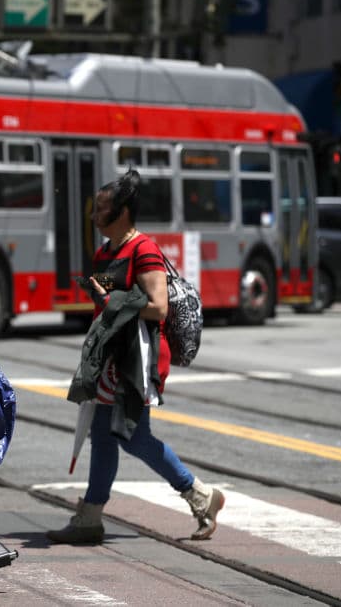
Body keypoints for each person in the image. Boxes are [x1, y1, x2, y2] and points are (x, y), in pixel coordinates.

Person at [47, 169, 224, 545]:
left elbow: (158, 308)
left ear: (123, 212)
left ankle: (201, 497)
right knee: (103, 436)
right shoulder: (104, 252)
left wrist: (111, 301)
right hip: (110, 359)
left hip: (136, 362)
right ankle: (90, 517)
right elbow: (110, 306)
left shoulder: (144, 250)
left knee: (133, 437)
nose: (94, 217)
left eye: (102, 210)